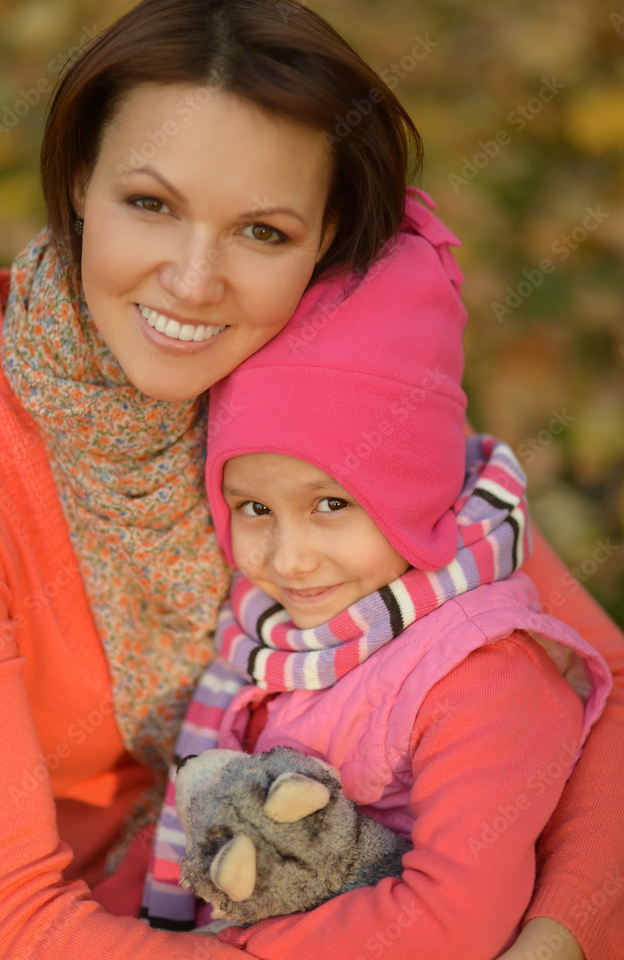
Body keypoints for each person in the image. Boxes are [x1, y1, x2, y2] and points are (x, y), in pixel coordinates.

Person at [0, 0, 622, 960]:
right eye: (150, 203)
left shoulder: (326, 371)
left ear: (325, 240)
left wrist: (557, 934)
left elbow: (603, 681)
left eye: (263, 230)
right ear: (81, 178)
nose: (193, 280)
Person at [140, 190, 612, 959]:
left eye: (331, 504)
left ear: (418, 493)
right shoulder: (279, 640)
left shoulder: (478, 675)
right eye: (252, 509)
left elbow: (455, 919)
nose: (287, 558)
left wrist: (231, 948)